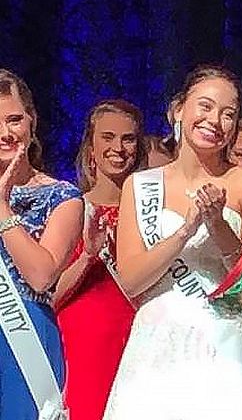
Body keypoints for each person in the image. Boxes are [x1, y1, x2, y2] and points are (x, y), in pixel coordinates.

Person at [103, 65, 242, 419]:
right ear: (179, 109)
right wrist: (184, 231)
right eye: (205, 107)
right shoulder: (140, 185)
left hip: (226, 346)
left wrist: (217, 225)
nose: (215, 121)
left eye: (228, 114)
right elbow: (131, 281)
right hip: (159, 348)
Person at [54, 100, 146, 420]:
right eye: (107, 137)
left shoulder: (150, 213)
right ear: (91, 147)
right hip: (82, 347)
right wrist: (88, 258)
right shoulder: (68, 210)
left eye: (128, 139)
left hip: (139, 340)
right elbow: (49, 297)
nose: (118, 148)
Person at [0, 69, 83, 420]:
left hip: (24, 339)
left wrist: (1, 206)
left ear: (32, 122)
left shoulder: (62, 197)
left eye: (15, 119)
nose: (5, 133)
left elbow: (41, 274)